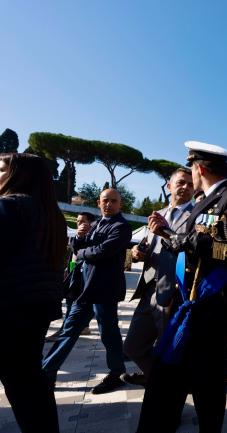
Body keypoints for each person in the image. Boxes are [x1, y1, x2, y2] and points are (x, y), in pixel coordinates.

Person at [136, 140, 227, 432]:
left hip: (214, 308)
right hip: (190, 305)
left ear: (199, 168)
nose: (190, 174)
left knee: (208, 389)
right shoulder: (204, 202)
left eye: (191, 167)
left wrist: (197, 242)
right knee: (169, 381)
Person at [0, 153, 67, 433]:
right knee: (30, 382)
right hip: (36, 307)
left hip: (9, 306)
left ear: (19, 174)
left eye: (1, 168)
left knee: (23, 384)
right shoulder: (53, 215)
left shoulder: (9, 206)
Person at [42, 188, 133, 394]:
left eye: (113, 201)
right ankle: (46, 373)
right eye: (104, 201)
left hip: (104, 290)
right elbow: (76, 246)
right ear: (98, 203)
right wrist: (80, 238)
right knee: (69, 330)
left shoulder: (122, 227)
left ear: (120, 204)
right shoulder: (94, 224)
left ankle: (116, 373)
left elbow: (102, 252)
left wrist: (82, 251)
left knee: (108, 333)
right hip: (84, 290)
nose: (108, 204)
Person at [122, 167, 194, 385]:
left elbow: (191, 251)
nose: (185, 187)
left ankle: (169, 395)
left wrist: (167, 232)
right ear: (169, 186)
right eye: (180, 182)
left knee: (170, 351)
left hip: (173, 293)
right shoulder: (158, 214)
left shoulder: (197, 217)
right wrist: (137, 253)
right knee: (133, 346)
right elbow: (149, 245)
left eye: (190, 184)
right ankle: (158, 382)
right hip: (148, 289)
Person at [46, 211, 96, 342]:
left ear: (90, 223)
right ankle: (82, 327)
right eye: (77, 221)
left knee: (72, 301)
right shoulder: (78, 235)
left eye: (82, 221)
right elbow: (73, 250)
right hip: (73, 271)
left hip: (84, 275)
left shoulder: (95, 236)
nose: (79, 224)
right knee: (71, 299)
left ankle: (65, 330)